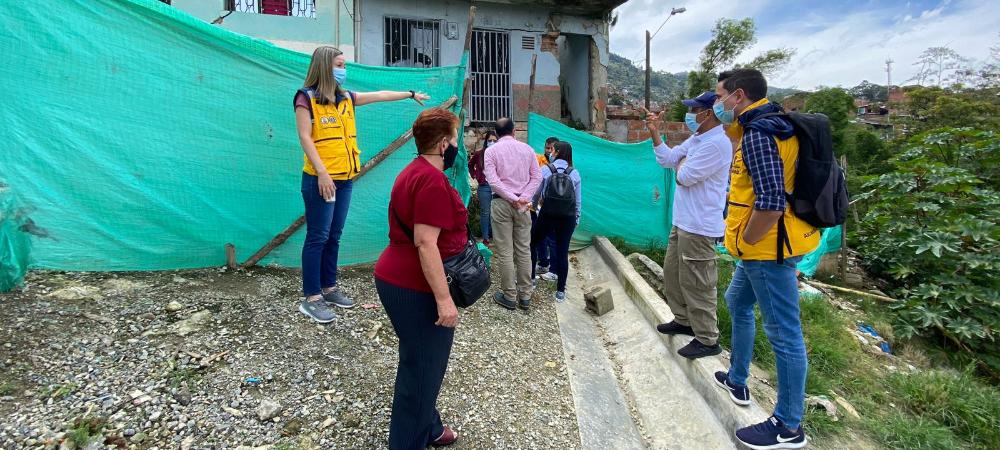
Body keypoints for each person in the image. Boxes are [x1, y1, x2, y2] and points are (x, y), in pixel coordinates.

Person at [711, 68, 820, 449]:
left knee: (784, 334)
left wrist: (744, 240)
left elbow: (771, 203)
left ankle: (788, 426)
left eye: (719, 95)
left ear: (737, 96)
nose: (716, 103)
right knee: (736, 301)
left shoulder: (760, 134)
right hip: (762, 249)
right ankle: (738, 378)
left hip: (767, 252)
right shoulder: (766, 124)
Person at [295, 46, 430, 323]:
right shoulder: (305, 98)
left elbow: (379, 96)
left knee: (334, 234)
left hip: (344, 179)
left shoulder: (345, 98)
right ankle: (312, 297)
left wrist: (410, 94)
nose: (344, 70)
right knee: (317, 236)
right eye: (340, 64)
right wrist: (321, 173)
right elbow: (305, 137)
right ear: (324, 66)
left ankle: (329, 287)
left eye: (344, 65)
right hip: (320, 179)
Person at [373, 107, 465, 449]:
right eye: (455, 139)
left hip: (395, 274)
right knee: (422, 370)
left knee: (420, 361)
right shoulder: (431, 180)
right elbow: (426, 243)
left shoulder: (411, 171)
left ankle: (430, 428)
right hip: (414, 285)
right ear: (443, 144)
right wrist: (444, 300)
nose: (457, 145)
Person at [643, 91, 733, 360]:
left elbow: (685, 177)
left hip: (700, 226)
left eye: (694, 110)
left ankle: (707, 338)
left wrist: (681, 164)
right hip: (682, 221)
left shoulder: (717, 144)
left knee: (698, 284)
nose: (691, 115)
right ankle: (683, 320)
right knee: (673, 276)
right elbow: (669, 160)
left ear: (708, 113)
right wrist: (655, 132)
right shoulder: (697, 139)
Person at [484, 118, 542, 311]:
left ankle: (509, 296)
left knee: (505, 252)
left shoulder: (490, 151)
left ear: (497, 133)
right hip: (523, 206)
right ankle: (525, 296)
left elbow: (493, 181)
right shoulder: (527, 150)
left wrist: (511, 198)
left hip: (501, 203)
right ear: (514, 131)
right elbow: (537, 177)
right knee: (524, 250)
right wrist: (522, 198)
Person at [530, 141, 582, 303]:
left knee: (532, 244)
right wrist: (576, 218)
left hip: (547, 214)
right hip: (567, 217)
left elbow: (536, 193)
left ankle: (531, 280)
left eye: (552, 149)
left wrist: (534, 207)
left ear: (557, 152)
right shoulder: (574, 173)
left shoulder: (546, 170)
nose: (550, 152)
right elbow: (578, 200)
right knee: (562, 251)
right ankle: (560, 291)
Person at [534, 137, 560, 280]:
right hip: (540, 206)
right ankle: (543, 262)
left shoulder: (561, 166)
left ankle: (554, 269)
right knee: (541, 237)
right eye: (547, 148)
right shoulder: (539, 160)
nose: (548, 151)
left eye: (551, 149)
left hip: (554, 208)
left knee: (552, 238)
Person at [468, 130, 499, 245]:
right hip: (485, 186)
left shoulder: (500, 154)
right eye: (490, 140)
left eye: (494, 141)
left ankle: (494, 236)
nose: (492, 142)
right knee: (485, 212)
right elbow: (470, 165)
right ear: (486, 141)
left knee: (496, 212)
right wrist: (475, 175)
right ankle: (486, 238)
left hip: (497, 187)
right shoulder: (479, 154)